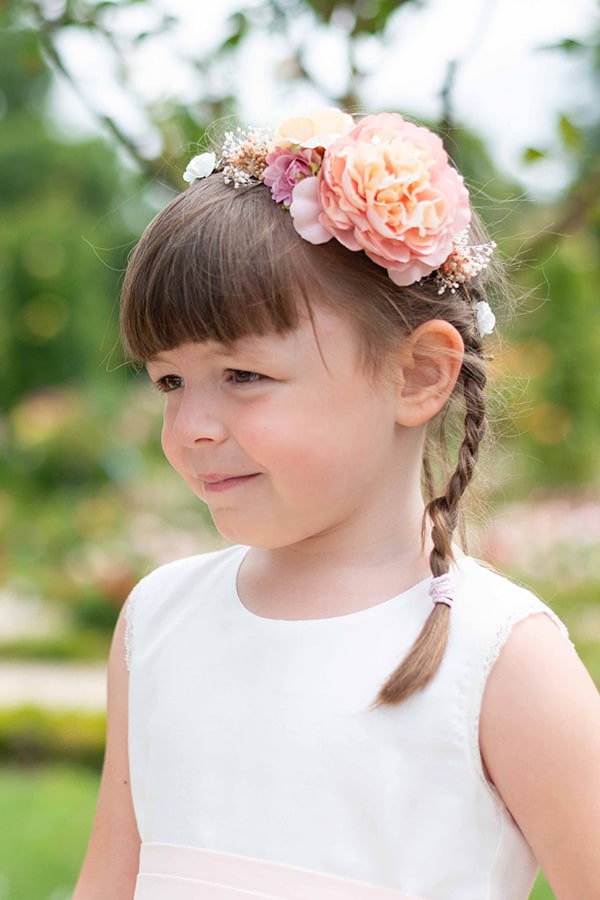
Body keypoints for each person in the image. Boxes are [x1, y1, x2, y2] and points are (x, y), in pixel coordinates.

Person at [73, 108, 600, 900]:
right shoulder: (156, 622)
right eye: (169, 382)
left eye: (243, 376)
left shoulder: (499, 659)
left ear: (419, 374)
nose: (191, 429)